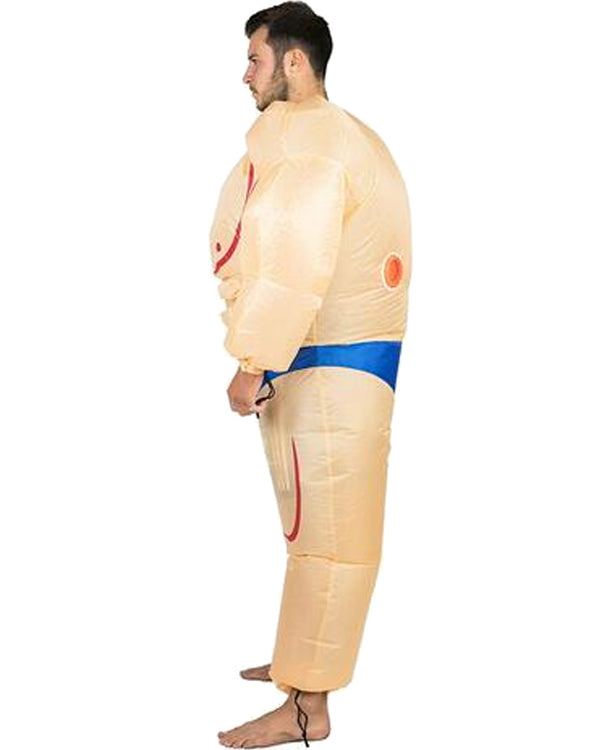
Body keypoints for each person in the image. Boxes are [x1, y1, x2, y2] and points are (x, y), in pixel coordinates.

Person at [209, 2, 412, 746]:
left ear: (295, 62)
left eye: (255, 59)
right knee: (315, 535)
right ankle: (300, 664)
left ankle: (307, 710)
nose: (245, 75)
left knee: (330, 542)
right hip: (320, 364)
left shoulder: (319, 143)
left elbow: (295, 260)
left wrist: (253, 360)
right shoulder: (327, 135)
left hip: (327, 365)